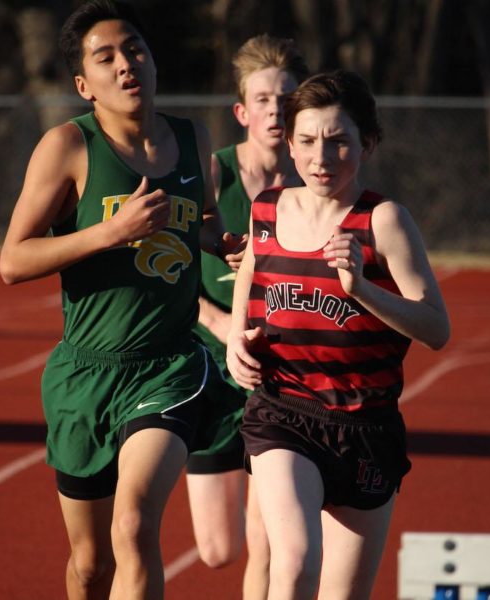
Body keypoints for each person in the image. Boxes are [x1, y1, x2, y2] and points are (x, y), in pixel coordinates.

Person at [0, 1, 243, 598]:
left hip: (169, 368)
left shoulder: (193, 139)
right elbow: (12, 260)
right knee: (90, 563)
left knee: (134, 525)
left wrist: (221, 242)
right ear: (85, 85)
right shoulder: (68, 147)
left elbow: (196, 225)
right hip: (85, 374)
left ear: (154, 63)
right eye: (105, 57)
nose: (125, 65)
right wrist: (110, 231)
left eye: (134, 49)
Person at [226, 70, 450, 599]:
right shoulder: (267, 208)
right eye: (306, 141)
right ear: (291, 143)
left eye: (337, 141)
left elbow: (437, 329)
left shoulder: (384, 221)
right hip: (285, 413)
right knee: (298, 560)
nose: (320, 158)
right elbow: (248, 276)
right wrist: (236, 340)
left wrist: (362, 290)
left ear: (367, 143)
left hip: (367, 428)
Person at [184, 34, 308, 599]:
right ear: (242, 111)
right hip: (211, 370)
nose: (275, 111)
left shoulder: (311, 188)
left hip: (277, 383)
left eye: (285, 99)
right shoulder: (214, 173)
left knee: (267, 541)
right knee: (217, 550)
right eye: (263, 100)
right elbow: (171, 275)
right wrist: (222, 326)